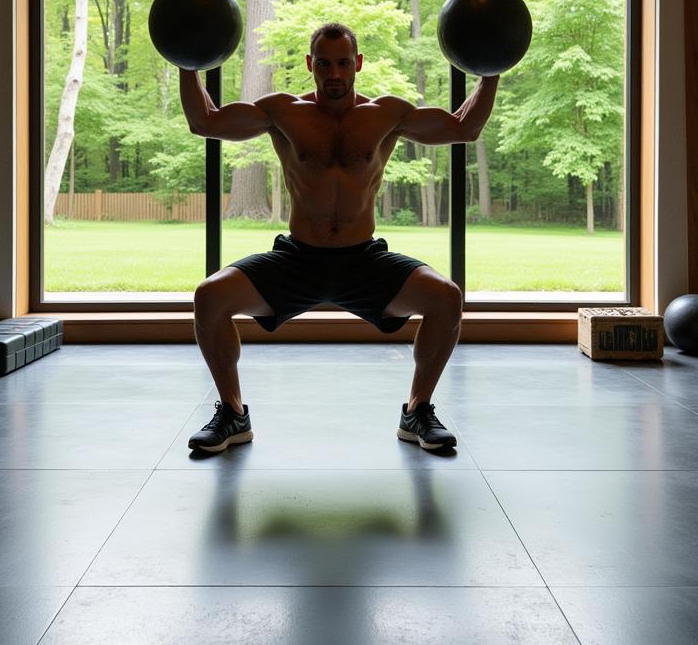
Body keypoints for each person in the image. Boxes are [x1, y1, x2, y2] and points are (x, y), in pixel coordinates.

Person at [180, 22, 499, 454]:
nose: (334, 74)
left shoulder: (386, 114)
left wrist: (491, 71)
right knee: (209, 297)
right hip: (297, 259)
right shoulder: (283, 111)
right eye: (325, 64)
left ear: (358, 64)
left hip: (362, 261)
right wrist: (187, 63)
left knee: (445, 297)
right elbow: (205, 122)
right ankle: (233, 414)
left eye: (344, 63)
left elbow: (464, 128)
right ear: (311, 64)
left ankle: (417, 411)